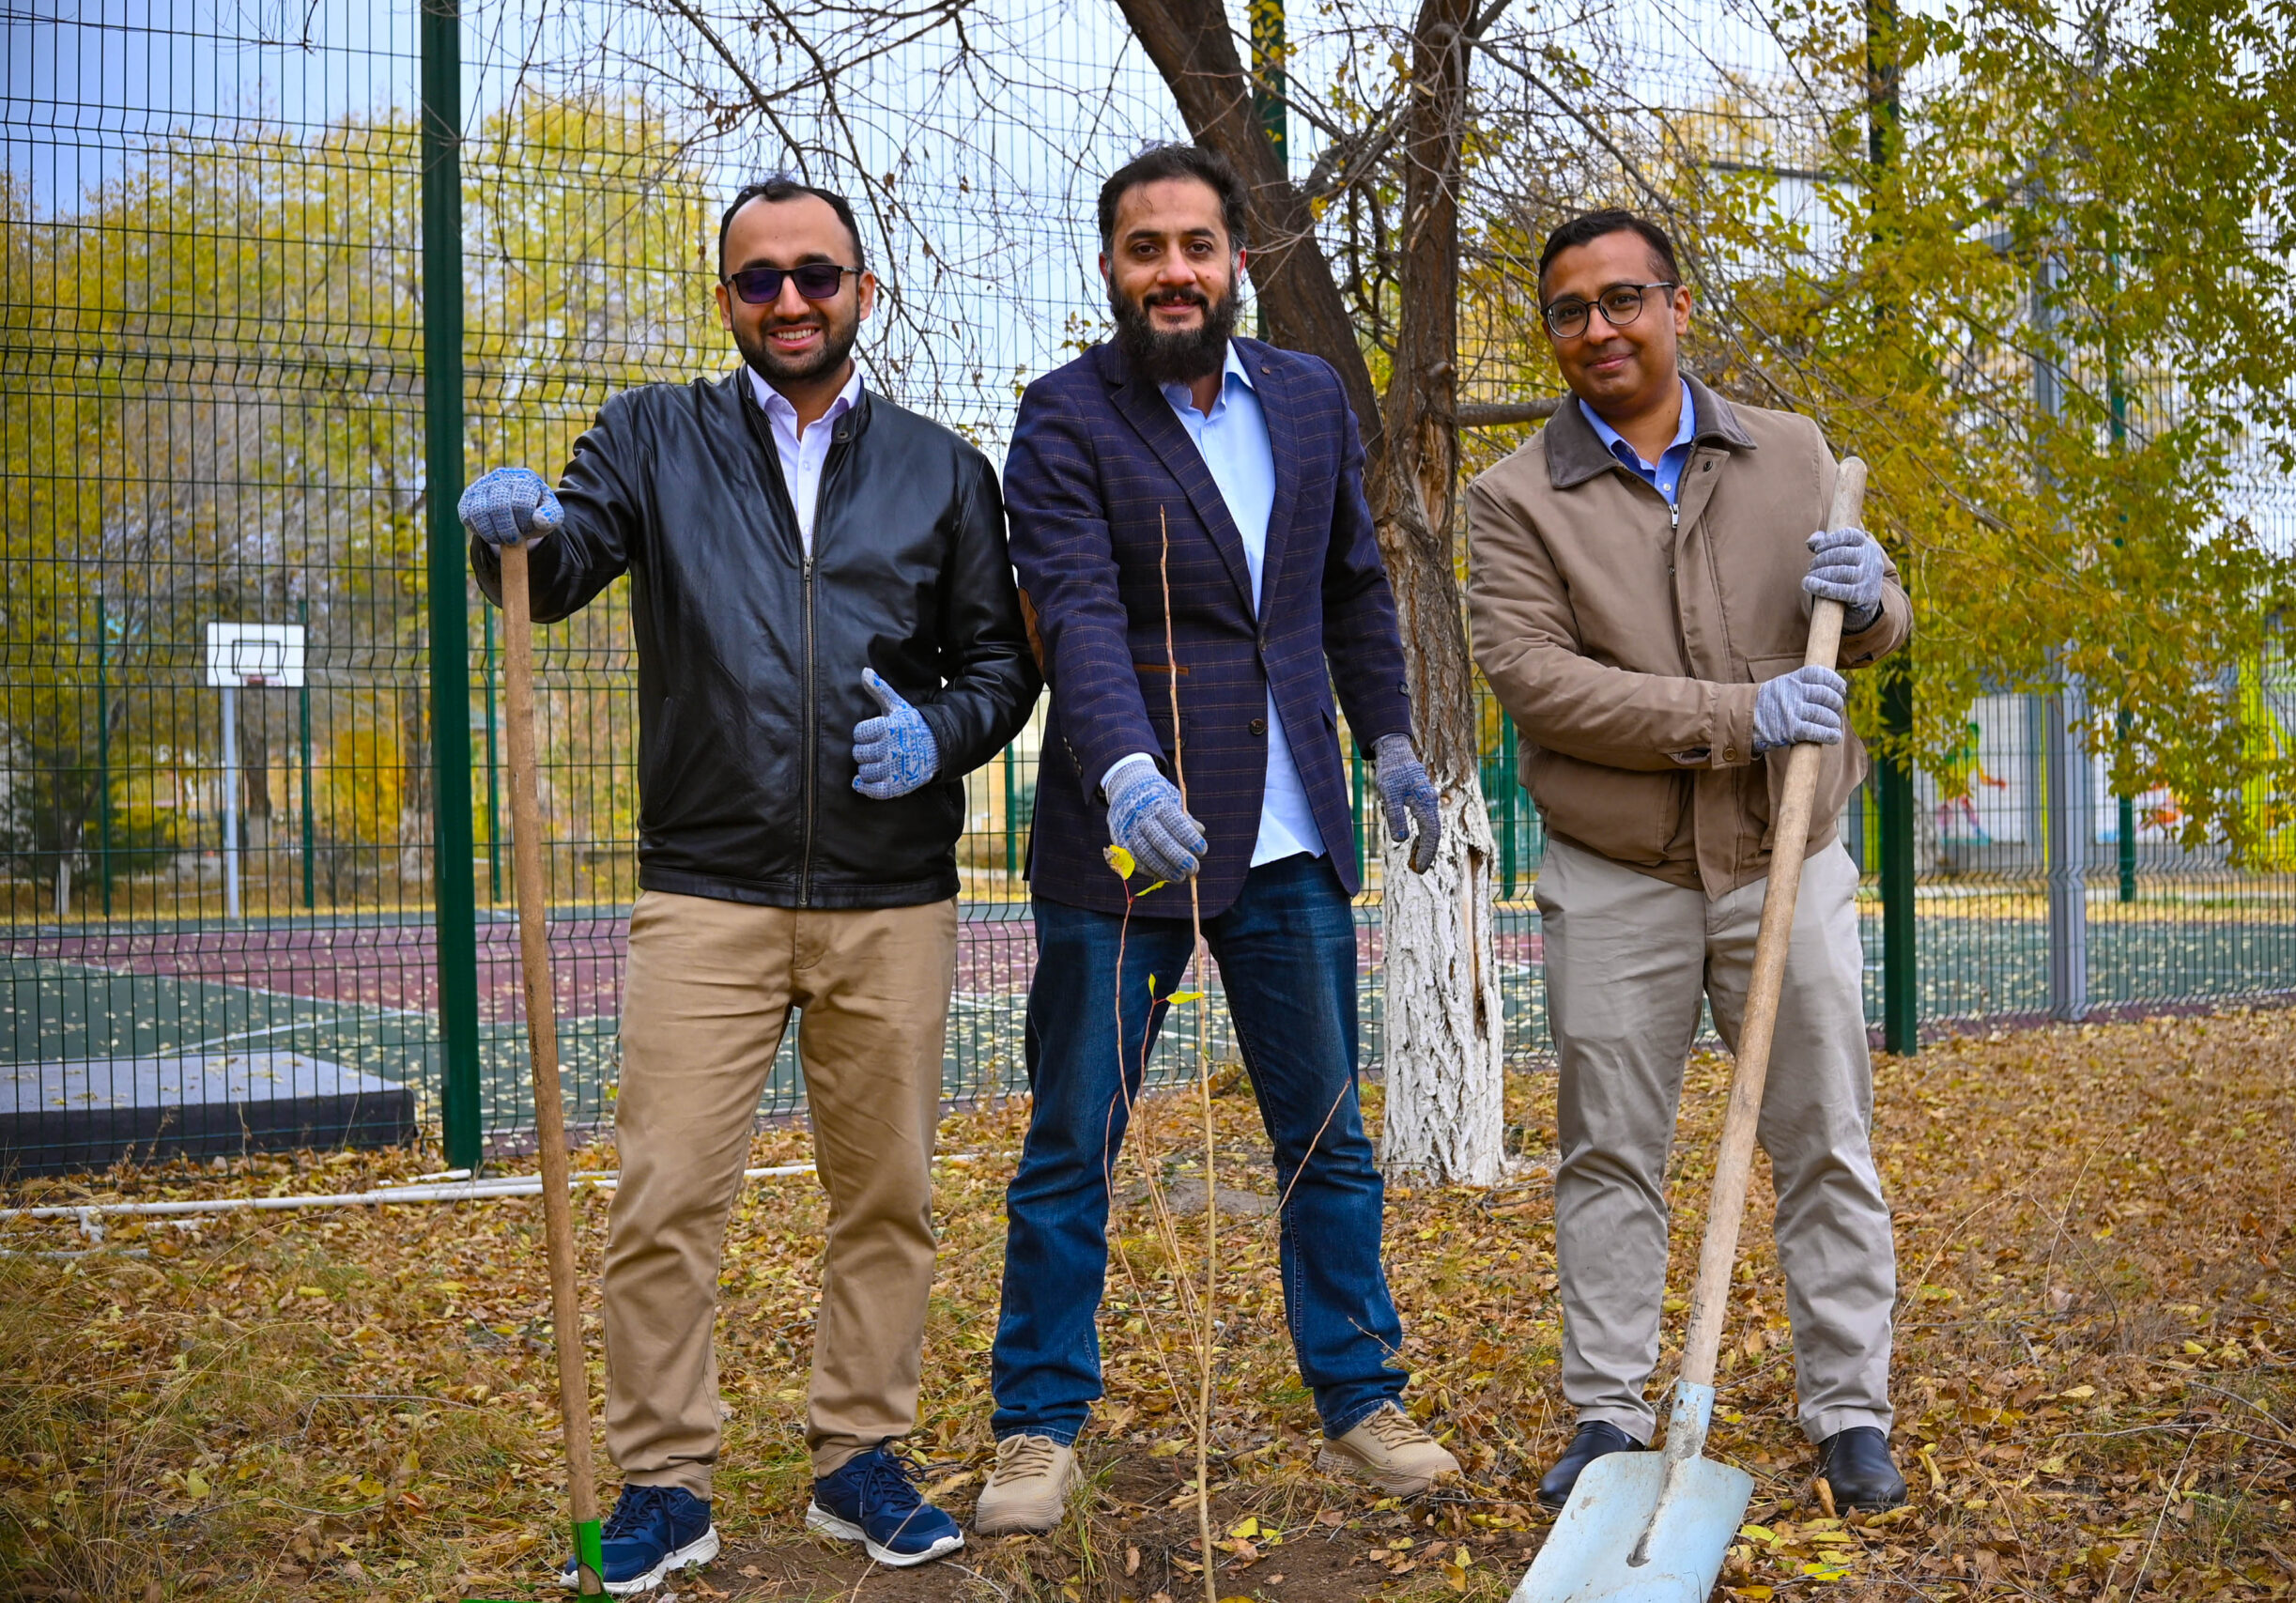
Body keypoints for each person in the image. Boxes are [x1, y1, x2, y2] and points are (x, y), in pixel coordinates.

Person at [458, 176, 1040, 1591]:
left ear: (863, 291)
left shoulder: (943, 470)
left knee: (887, 1198)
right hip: (707, 889)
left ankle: (859, 1459)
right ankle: (664, 1482)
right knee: (664, 1197)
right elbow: (560, 566)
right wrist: (511, 535)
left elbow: (1001, 665)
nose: (789, 300)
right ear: (725, 297)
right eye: (759, 279)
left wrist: (941, 735)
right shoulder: (652, 437)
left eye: (816, 275)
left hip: (891, 895)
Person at [975, 143, 1456, 1536]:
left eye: (1197, 246)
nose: (1174, 272)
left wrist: (1392, 739)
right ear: (1110, 269)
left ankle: (1361, 1397)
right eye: (1147, 249)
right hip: (1123, 847)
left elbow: (1351, 589)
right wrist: (1126, 768)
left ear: (1238, 260)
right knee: (1073, 1143)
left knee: (1327, 1141)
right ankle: (1038, 1427)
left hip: (1291, 835)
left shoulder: (1305, 398)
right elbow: (1075, 607)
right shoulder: (1065, 417)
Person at [1465, 208, 1913, 1516]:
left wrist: (1875, 598)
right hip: (1622, 876)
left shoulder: (1792, 453)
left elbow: (1872, 626)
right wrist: (1739, 716)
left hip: (1787, 858)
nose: (1597, 328)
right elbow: (1538, 681)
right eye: (1569, 311)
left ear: (1675, 306)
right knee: (1610, 1150)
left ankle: (1850, 1412)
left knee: (1825, 1138)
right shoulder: (1512, 500)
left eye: (1623, 299)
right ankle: (1608, 1412)